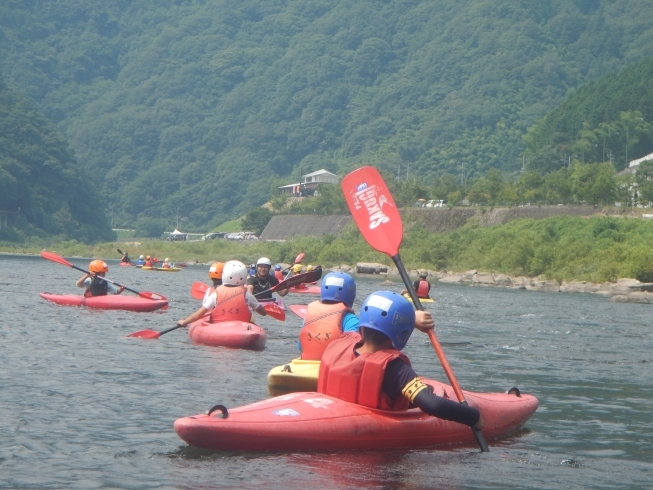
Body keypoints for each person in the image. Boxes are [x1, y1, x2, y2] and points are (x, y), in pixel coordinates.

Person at [317, 290, 483, 429]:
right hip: (377, 450)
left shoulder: (340, 344)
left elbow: (375, 324)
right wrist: (474, 417)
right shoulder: (395, 370)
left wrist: (411, 319)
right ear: (402, 334)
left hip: (329, 416)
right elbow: (434, 405)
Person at [299, 273, 433, 361]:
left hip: (304, 367)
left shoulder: (309, 315)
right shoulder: (350, 320)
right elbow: (364, 350)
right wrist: (410, 319)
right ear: (350, 293)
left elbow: (300, 346)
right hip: (332, 366)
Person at [177, 260, 267, 327]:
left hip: (219, 325)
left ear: (225, 275)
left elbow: (198, 315)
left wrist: (184, 322)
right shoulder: (247, 295)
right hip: (241, 327)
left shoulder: (215, 294)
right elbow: (263, 313)